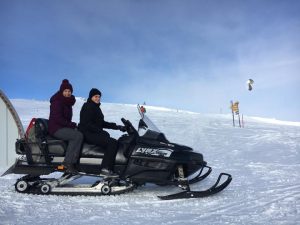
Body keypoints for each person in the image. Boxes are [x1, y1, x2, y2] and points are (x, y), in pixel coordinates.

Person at [78, 88, 126, 177]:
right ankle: (105, 168)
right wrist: (100, 131)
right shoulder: (88, 106)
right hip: (87, 133)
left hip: (93, 132)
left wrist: (118, 127)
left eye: (99, 97)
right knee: (112, 143)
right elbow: (86, 123)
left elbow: (102, 123)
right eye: (96, 96)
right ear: (91, 97)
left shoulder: (96, 107)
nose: (98, 98)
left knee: (113, 141)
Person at [48, 79, 83, 174]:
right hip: (55, 128)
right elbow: (57, 118)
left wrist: (72, 125)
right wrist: (71, 125)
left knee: (79, 133)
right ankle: (67, 163)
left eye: (69, 91)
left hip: (62, 126)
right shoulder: (57, 102)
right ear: (61, 91)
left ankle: (75, 161)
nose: (67, 93)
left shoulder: (67, 102)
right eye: (65, 91)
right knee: (77, 136)